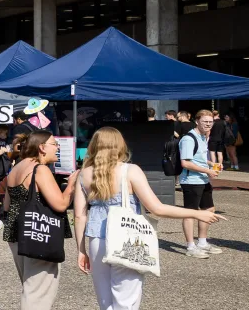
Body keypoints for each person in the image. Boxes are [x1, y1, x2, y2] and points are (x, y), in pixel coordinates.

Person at [73, 127, 226, 309]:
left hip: (96, 240)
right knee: (126, 300)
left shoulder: (83, 174)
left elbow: (79, 215)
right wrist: (197, 213)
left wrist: (81, 250)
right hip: (126, 237)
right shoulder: (130, 170)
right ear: (120, 145)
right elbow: (157, 208)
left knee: (105, 301)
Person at [1, 130, 76, 310]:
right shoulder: (40, 169)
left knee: (30, 286)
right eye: (54, 144)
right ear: (42, 148)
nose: (57, 148)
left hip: (16, 233)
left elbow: (6, 206)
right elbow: (60, 204)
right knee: (37, 293)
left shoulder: (16, 168)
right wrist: (72, 183)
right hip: (39, 234)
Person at [178, 110, 224, 259]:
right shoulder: (189, 139)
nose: (208, 124)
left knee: (208, 209)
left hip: (203, 179)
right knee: (190, 213)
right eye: (205, 121)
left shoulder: (203, 137)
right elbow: (185, 163)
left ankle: (202, 242)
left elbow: (200, 159)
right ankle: (190, 246)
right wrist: (207, 170)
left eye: (210, 122)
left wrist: (212, 164)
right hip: (191, 181)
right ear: (197, 121)